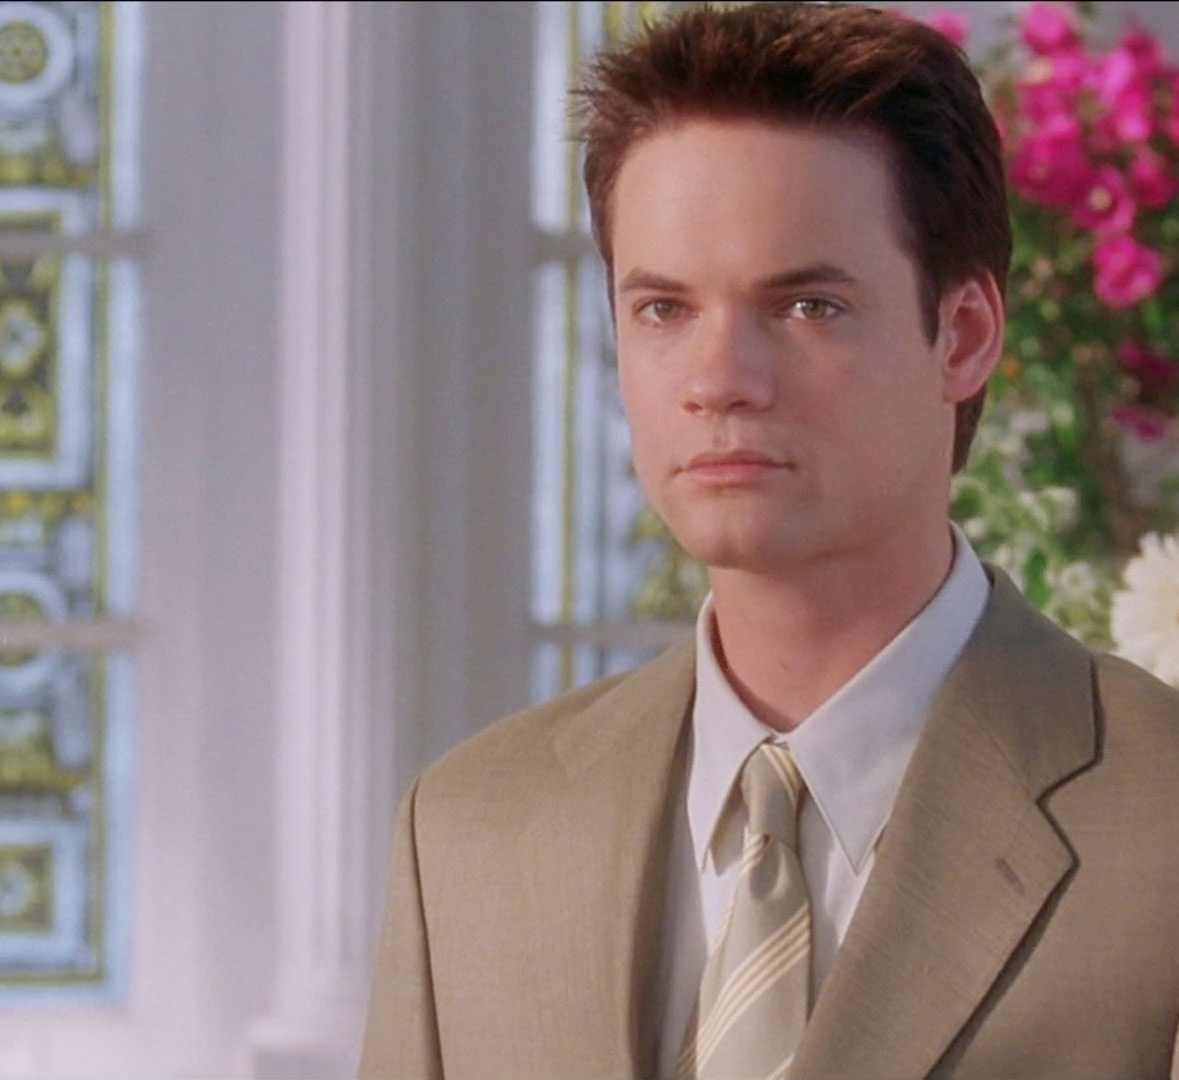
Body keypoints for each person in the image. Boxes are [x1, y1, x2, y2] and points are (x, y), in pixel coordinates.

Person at [358, 4, 1179, 1078]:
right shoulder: (468, 832)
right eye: (662, 309)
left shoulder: (1156, 821)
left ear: (965, 335)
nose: (717, 381)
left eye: (806, 308)